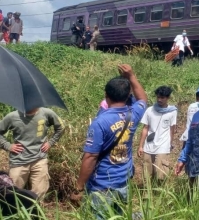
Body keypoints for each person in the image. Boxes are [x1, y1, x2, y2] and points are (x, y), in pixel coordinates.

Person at [71, 64, 148, 219]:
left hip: (102, 185)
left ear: (106, 95)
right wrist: (131, 75)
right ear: (127, 97)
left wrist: (79, 188)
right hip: (123, 181)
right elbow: (142, 99)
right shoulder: (133, 114)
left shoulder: (100, 122)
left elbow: (90, 157)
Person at [0, 104, 64, 199]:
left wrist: (50, 143)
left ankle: (36, 212)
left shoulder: (47, 113)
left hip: (40, 159)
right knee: (13, 193)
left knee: (40, 192)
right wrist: (8, 146)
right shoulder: (12, 117)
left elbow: (61, 127)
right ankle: (16, 213)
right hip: (18, 161)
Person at [137, 86, 177, 184]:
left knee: (161, 172)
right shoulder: (150, 110)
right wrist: (140, 146)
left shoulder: (172, 112)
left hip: (163, 145)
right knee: (147, 173)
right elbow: (145, 128)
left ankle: (160, 194)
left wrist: (170, 144)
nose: (159, 100)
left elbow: (172, 130)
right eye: (158, 97)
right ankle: (147, 196)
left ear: (168, 98)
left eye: (162, 98)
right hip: (149, 146)